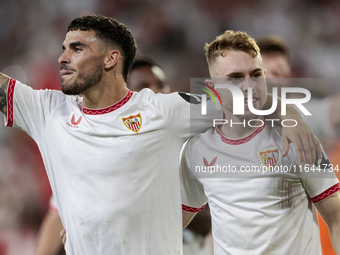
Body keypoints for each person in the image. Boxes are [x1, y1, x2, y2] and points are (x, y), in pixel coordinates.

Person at [0, 14, 320, 254]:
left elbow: (241, 96)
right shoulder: (48, 111)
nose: (62, 58)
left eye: (77, 48)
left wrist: (288, 112)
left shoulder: (164, 111)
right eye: (63, 48)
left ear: (112, 59)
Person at [180, 30, 340, 254]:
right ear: (212, 87)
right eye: (235, 78)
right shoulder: (196, 149)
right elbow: (177, 221)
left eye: (256, 75)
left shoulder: (297, 138)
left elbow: (336, 217)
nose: (248, 86)